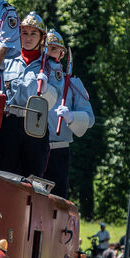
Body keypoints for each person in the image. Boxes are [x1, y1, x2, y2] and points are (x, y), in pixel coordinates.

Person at [0, 12, 57, 178]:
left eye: (33, 33)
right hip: (9, 123)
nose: (28, 38)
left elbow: (55, 100)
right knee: (4, 174)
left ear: (42, 37)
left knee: (32, 177)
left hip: (35, 124)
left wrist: (47, 88)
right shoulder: (7, 60)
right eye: (24, 33)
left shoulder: (51, 67)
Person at [43, 29, 94, 198]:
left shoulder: (72, 83)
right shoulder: (30, 75)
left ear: (62, 54)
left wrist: (71, 117)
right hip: (31, 146)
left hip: (58, 150)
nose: (49, 53)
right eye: (46, 48)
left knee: (56, 200)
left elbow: (90, 118)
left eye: (53, 49)